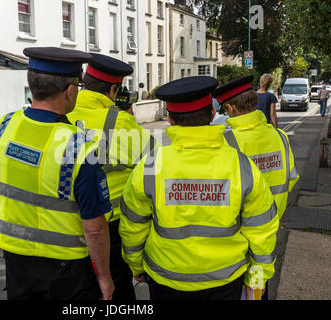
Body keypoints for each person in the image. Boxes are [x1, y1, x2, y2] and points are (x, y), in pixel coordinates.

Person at [119, 76, 279, 300]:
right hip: (225, 279)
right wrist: (257, 278)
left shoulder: (150, 164)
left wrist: (136, 266)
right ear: (213, 115)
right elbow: (262, 229)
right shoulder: (241, 164)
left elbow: (133, 226)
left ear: (170, 120)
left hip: (166, 278)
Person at [0, 47, 114, 300]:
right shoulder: (79, 147)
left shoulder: (4, 127)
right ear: (70, 90)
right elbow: (95, 229)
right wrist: (105, 277)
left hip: (15, 262)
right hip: (65, 273)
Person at [67, 53, 157, 300]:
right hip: (109, 228)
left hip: (64, 225)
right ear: (114, 89)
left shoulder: (63, 109)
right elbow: (155, 166)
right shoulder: (121, 123)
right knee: (116, 291)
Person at [212, 76, 300, 299]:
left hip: (236, 238)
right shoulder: (280, 137)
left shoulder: (225, 142)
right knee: (259, 286)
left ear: (230, 108)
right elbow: (291, 179)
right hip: (268, 232)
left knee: (238, 290)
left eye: (225, 108)